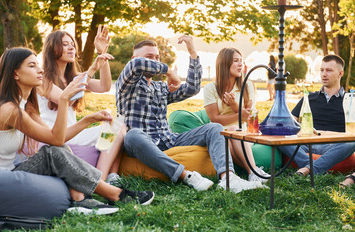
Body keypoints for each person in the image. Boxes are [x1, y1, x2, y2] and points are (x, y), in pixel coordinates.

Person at [0, 47, 154, 214]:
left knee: (60, 149)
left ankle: (80, 201)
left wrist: (88, 120)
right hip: (4, 178)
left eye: (38, 65)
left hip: (11, 171)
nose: (40, 69)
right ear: (15, 74)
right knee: (52, 153)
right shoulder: (8, 110)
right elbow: (55, 139)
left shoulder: (27, 107)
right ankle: (115, 194)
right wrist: (63, 100)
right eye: (32, 66)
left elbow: (59, 139)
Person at [116, 35, 266, 193]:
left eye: (157, 58)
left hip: (170, 139)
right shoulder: (126, 84)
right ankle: (186, 175)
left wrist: (193, 53)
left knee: (215, 127)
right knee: (132, 135)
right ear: (134, 57)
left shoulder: (160, 88)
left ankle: (228, 178)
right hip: (141, 141)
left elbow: (192, 88)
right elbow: (136, 65)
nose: (155, 61)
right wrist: (169, 71)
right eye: (150, 57)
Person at [37, 26, 124, 183]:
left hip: (73, 134)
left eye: (72, 43)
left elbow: (104, 86)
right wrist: (90, 71)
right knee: (114, 129)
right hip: (54, 137)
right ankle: (99, 182)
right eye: (65, 44)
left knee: (118, 125)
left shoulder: (74, 77)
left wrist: (101, 54)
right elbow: (65, 99)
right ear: (52, 48)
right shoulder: (41, 79)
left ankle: (107, 177)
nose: (71, 47)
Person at [278, 54, 355, 176]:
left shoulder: (349, 100)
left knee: (351, 143)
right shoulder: (309, 98)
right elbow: (289, 122)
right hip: (306, 143)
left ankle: (308, 169)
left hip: (333, 145)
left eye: (329, 70)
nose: (324, 74)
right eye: (322, 70)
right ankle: (314, 169)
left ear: (340, 73)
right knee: (280, 137)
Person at [203, 48, 269, 183]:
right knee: (231, 133)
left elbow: (250, 118)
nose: (241, 64)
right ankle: (253, 170)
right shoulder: (210, 88)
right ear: (224, 63)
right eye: (236, 61)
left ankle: (252, 171)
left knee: (235, 131)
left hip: (243, 135)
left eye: (241, 61)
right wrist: (241, 115)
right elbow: (214, 119)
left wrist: (234, 105)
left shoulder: (247, 86)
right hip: (219, 135)